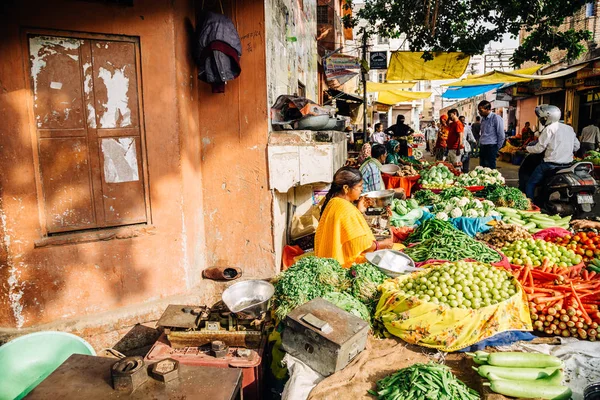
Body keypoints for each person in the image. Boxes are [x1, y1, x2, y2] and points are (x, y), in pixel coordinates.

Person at [315, 167, 394, 268]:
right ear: (346, 188)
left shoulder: (333, 202)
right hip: (343, 265)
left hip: (329, 261)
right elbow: (360, 245)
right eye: (360, 186)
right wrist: (382, 244)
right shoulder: (346, 209)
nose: (362, 189)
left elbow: (347, 232)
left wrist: (359, 211)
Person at [525, 105, 580, 200]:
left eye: (542, 118)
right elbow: (577, 146)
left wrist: (527, 148)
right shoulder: (569, 128)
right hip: (568, 166)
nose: (541, 120)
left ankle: (530, 204)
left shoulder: (549, 129)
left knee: (531, 183)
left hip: (550, 165)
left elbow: (539, 148)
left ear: (548, 117)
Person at [478, 100, 505, 169]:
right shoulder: (483, 119)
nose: (479, 113)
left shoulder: (496, 118)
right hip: (483, 146)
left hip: (491, 146)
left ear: (487, 109)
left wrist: (497, 148)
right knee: (482, 168)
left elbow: (501, 134)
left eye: (481, 110)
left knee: (490, 169)